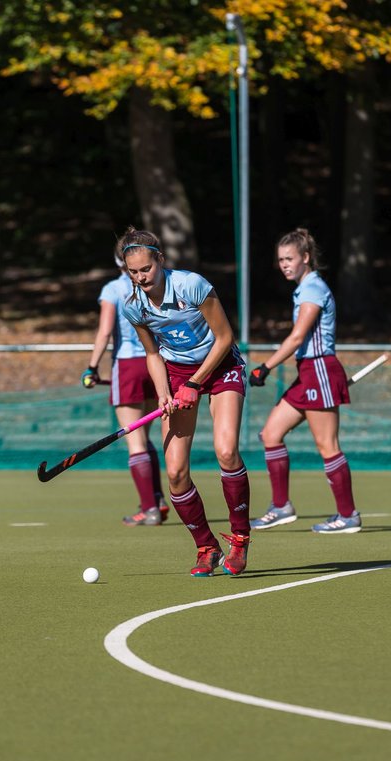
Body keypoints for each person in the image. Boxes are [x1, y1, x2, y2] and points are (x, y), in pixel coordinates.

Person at [115, 227, 253, 577]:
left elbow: (224, 338)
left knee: (226, 451)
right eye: (133, 272)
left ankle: (240, 539)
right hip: (176, 374)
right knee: (175, 471)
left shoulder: (192, 285)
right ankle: (206, 547)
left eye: (146, 269)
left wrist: (194, 382)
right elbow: (152, 354)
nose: (141, 277)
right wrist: (163, 392)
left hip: (220, 366)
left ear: (160, 260)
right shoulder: (133, 306)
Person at [247, 228, 361, 534]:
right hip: (308, 372)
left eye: (290, 259)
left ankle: (348, 515)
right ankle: (281, 506)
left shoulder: (313, 288)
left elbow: (298, 336)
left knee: (327, 445)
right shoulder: (303, 289)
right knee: (271, 433)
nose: (284, 264)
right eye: (281, 260)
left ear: (306, 258)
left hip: (320, 369)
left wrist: (266, 367)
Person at [82, 255, 170, 526]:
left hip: (128, 366)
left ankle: (148, 509)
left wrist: (92, 367)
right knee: (144, 437)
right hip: (157, 364)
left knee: (135, 443)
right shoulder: (159, 285)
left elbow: (105, 331)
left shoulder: (113, 289)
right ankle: (157, 500)